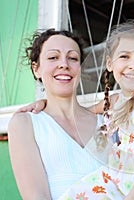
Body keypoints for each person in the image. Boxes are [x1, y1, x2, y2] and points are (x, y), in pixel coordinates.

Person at [19, 20, 134, 199]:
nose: (133, 65)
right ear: (110, 64)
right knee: (79, 193)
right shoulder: (115, 102)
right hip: (129, 185)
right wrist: (44, 104)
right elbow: (80, 112)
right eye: (124, 56)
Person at [8, 29, 103, 199]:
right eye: (53, 57)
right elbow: (36, 196)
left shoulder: (106, 121)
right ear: (36, 69)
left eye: (73, 58)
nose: (64, 64)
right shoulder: (26, 123)